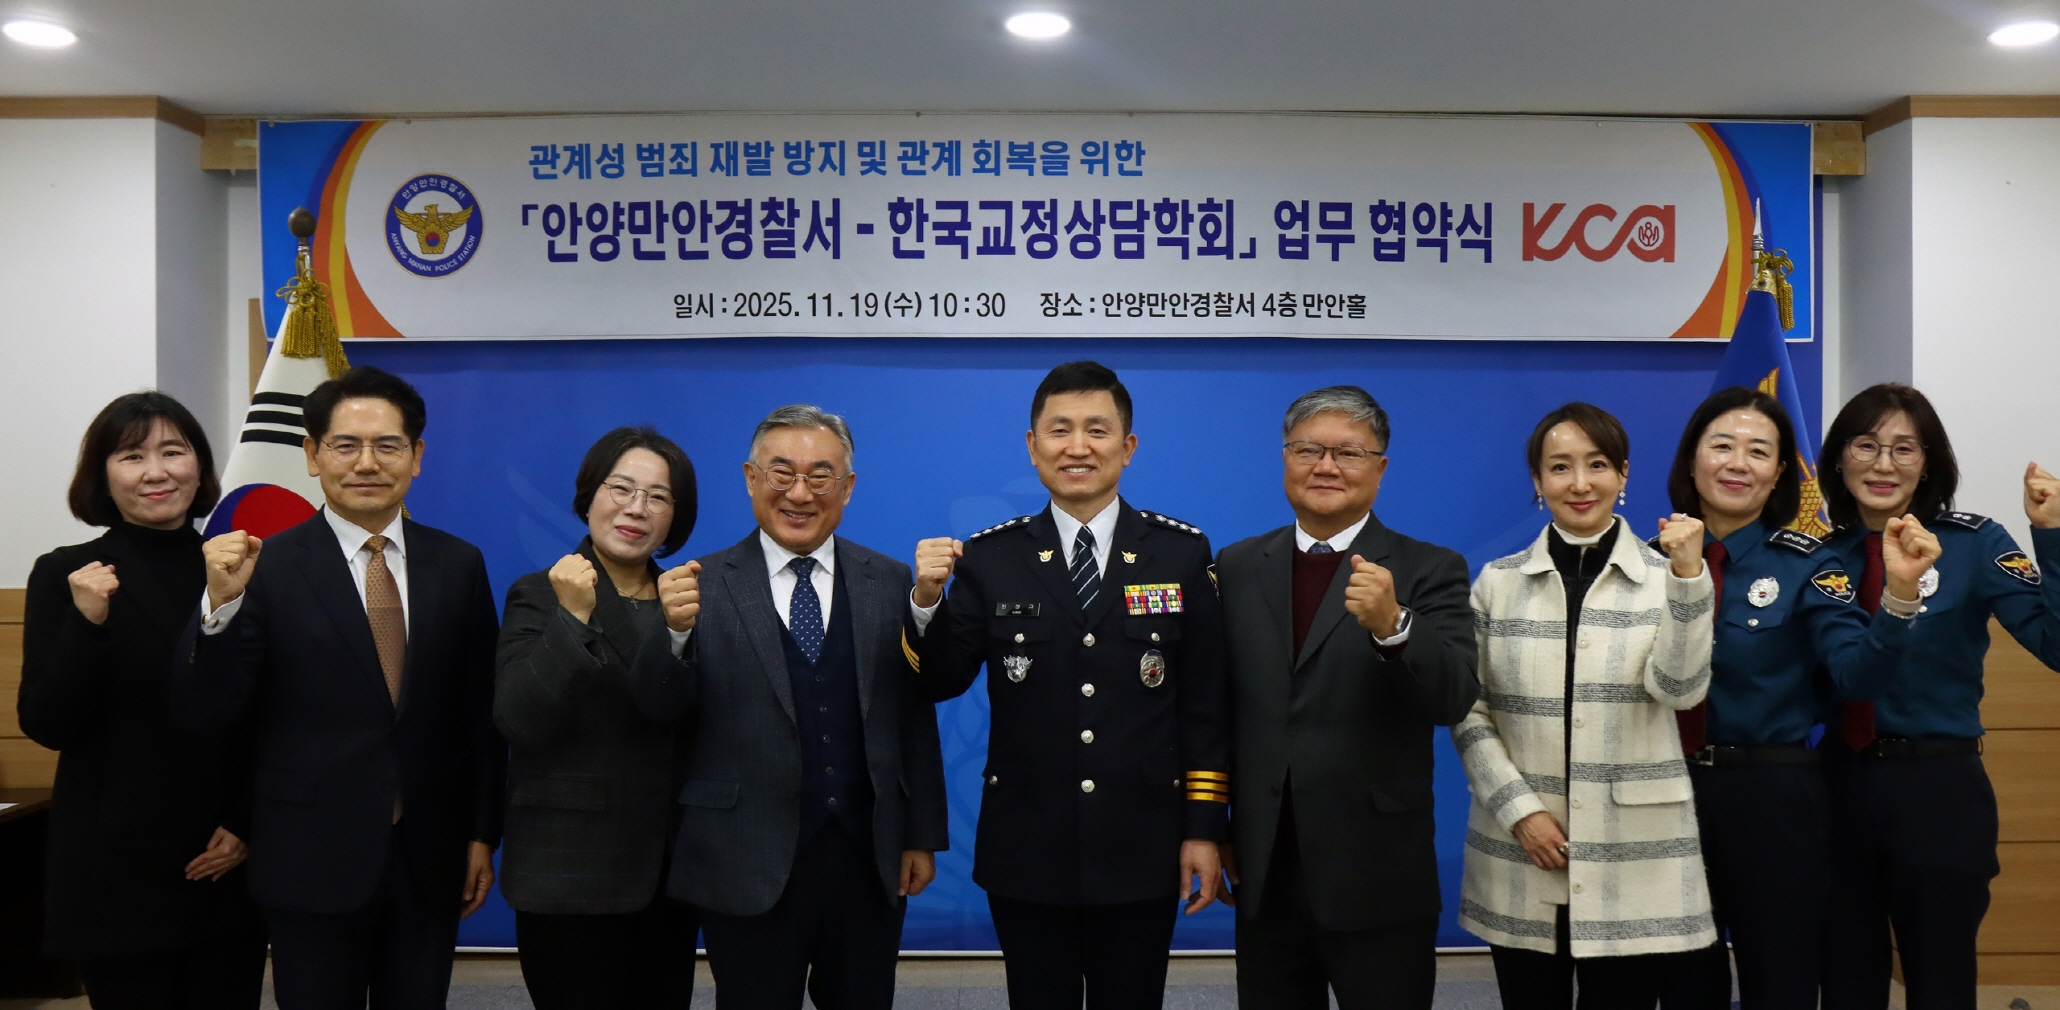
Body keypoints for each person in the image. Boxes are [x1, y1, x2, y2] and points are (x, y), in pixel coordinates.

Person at [169, 365, 505, 1010]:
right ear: (313, 455)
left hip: (428, 856)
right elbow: (208, 709)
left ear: (417, 457)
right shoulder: (264, 567)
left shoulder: (458, 564)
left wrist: (481, 834)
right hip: (307, 858)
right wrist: (216, 607)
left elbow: (478, 714)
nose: (367, 462)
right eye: (345, 445)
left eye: (388, 445)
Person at [912, 361, 1231, 1010]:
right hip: (1028, 847)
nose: (1078, 447)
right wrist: (925, 601)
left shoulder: (1180, 553)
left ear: (1127, 447)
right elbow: (942, 679)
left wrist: (1203, 828)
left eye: (1097, 430)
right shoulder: (991, 558)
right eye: (1059, 431)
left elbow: (1205, 705)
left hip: (1142, 842)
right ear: (1033, 447)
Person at [632, 404, 947, 1010]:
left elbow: (912, 715)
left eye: (820, 475)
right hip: (741, 858)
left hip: (865, 862)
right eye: (781, 473)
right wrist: (671, 636)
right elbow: (656, 711)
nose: (799, 492)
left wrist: (921, 834)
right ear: (752, 478)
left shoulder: (887, 580)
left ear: (847, 488)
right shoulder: (698, 585)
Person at [1658, 386, 1939, 1010]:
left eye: (1759, 451)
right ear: (1692, 458)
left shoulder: (1809, 565)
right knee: (1682, 986)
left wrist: (1897, 598)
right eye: (1722, 446)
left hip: (1773, 803)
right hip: (1664, 797)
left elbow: (1858, 678)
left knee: (1780, 981)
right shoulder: (1647, 565)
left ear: (1781, 471)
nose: (1738, 463)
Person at [1213, 384, 1478, 1010]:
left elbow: (1453, 698)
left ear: (1380, 468)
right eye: (1308, 449)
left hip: (1378, 873)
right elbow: (1219, 707)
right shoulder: (1240, 564)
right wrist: (1214, 823)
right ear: (1285, 459)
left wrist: (1395, 626)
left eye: (1349, 453)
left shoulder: (1428, 567)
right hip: (1266, 866)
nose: (1326, 466)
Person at [1454, 402, 1716, 1010]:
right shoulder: (1498, 581)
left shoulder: (1667, 575)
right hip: (1521, 846)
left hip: (1636, 849)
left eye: (1596, 465)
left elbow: (1681, 691)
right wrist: (1520, 812)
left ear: (1623, 475)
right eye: (1559, 467)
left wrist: (1686, 578)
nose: (1579, 484)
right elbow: (1467, 710)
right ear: (1537, 482)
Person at [17, 392, 267, 1010]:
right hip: (114, 868)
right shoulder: (68, 573)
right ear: (103, 475)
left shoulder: (243, 567)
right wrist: (87, 624)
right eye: (132, 456)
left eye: (172, 452)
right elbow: (47, 723)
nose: (155, 472)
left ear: (199, 467)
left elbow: (270, 714)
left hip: (223, 857)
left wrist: (245, 823)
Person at [1815, 384, 2060, 1010]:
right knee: (1846, 979)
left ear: (1930, 461)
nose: (1883, 464)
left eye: (1904, 448)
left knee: (1941, 979)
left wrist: (2053, 536)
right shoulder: (1816, 558)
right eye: (1866, 445)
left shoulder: (1975, 543)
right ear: (1840, 459)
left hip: (1939, 788)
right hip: (1835, 787)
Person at [495, 426, 701, 1010]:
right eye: (622, 488)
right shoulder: (538, 594)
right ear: (589, 495)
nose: (637, 509)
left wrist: (679, 632)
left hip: (667, 876)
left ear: (674, 518)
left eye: (659, 497)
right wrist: (573, 621)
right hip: (569, 873)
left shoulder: (686, 600)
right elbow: (518, 718)